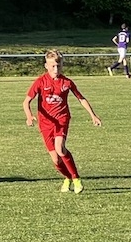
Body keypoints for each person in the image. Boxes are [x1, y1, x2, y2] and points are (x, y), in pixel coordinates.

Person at [24, 49, 101, 193]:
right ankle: (67, 177)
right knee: (56, 160)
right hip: (45, 123)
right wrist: (29, 116)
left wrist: (93, 115)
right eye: (52, 66)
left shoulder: (66, 82)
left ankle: (76, 179)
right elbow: (26, 101)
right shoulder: (40, 82)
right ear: (46, 66)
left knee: (60, 148)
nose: (56, 69)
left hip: (61, 120)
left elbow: (81, 98)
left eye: (58, 66)